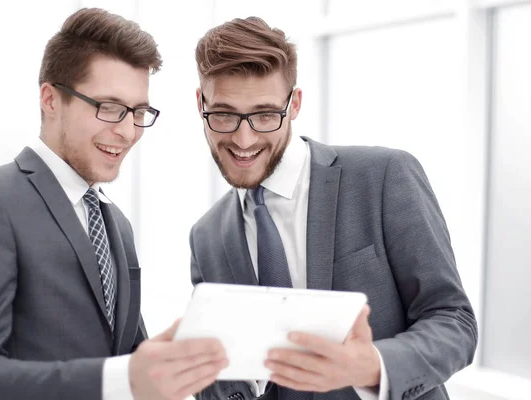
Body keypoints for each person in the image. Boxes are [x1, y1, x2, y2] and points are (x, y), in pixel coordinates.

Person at [0, 8, 228, 400]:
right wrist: (120, 380)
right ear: (50, 99)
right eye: (108, 107)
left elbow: (126, 360)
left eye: (139, 112)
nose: (126, 131)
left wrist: (184, 362)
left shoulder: (115, 224)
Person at [189, 16, 478, 400]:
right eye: (224, 114)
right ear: (200, 104)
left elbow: (454, 321)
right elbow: (217, 379)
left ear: (294, 104)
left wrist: (373, 365)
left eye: (264, 115)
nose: (244, 138)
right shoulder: (206, 236)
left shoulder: (383, 177)